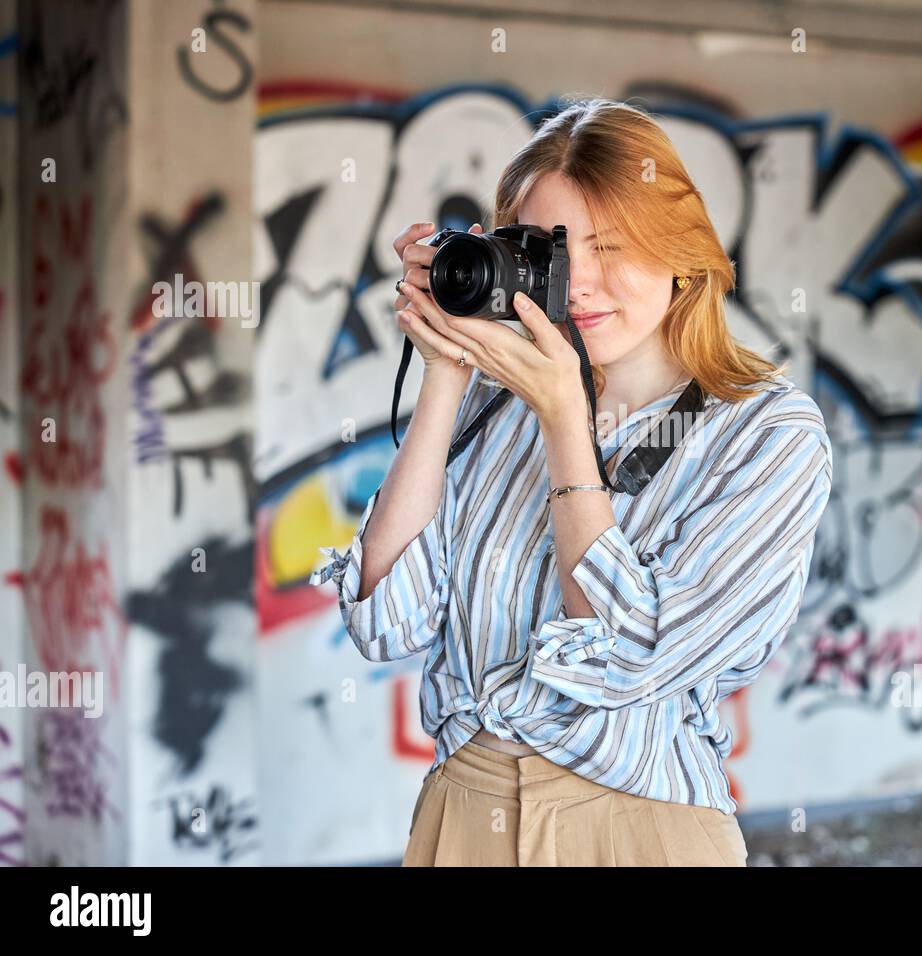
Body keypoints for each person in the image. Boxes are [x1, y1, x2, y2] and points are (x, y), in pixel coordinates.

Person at [315, 98, 832, 866]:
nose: (582, 282)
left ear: (680, 250)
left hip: (639, 828)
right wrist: (447, 375)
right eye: (552, 250)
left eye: (612, 245)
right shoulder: (494, 410)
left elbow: (629, 655)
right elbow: (386, 618)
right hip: (465, 816)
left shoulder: (768, 435)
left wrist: (564, 421)